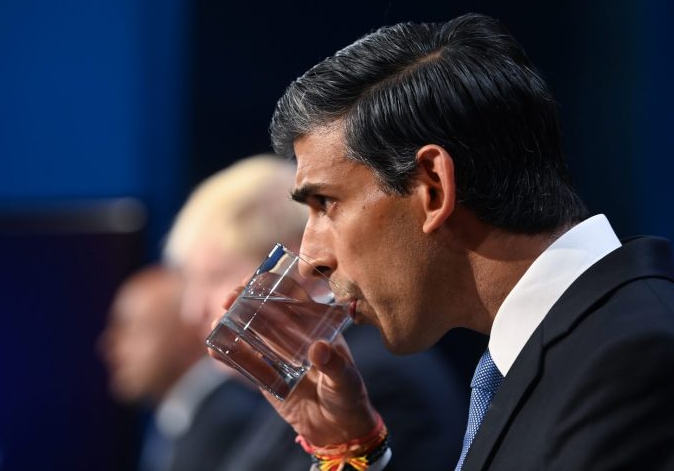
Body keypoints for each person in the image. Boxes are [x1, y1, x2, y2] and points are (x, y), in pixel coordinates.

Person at [212, 13, 674, 470]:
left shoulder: (639, 359)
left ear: (433, 188)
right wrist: (351, 452)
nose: (309, 258)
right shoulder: (577, 347)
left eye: (326, 203)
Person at [163, 154, 467, 470]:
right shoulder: (283, 388)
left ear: (293, 263)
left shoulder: (369, 379)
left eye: (213, 277)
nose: (192, 311)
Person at [99, 266, 261, 471]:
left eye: (130, 327)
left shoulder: (230, 419)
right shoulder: (179, 419)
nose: (110, 346)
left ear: (185, 330)